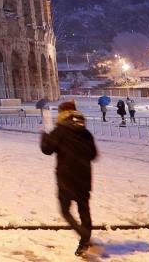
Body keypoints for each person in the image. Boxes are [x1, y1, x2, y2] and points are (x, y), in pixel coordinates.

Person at [40, 100, 98, 257]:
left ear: (62, 114)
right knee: (84, 210)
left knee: (65, 211)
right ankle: (84, 241)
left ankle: (84, 237)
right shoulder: (85, 132)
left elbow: (47, 149)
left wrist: (44, 135)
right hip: (84, 176)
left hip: (66, 177)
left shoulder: (60, 131)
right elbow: (93, 154)